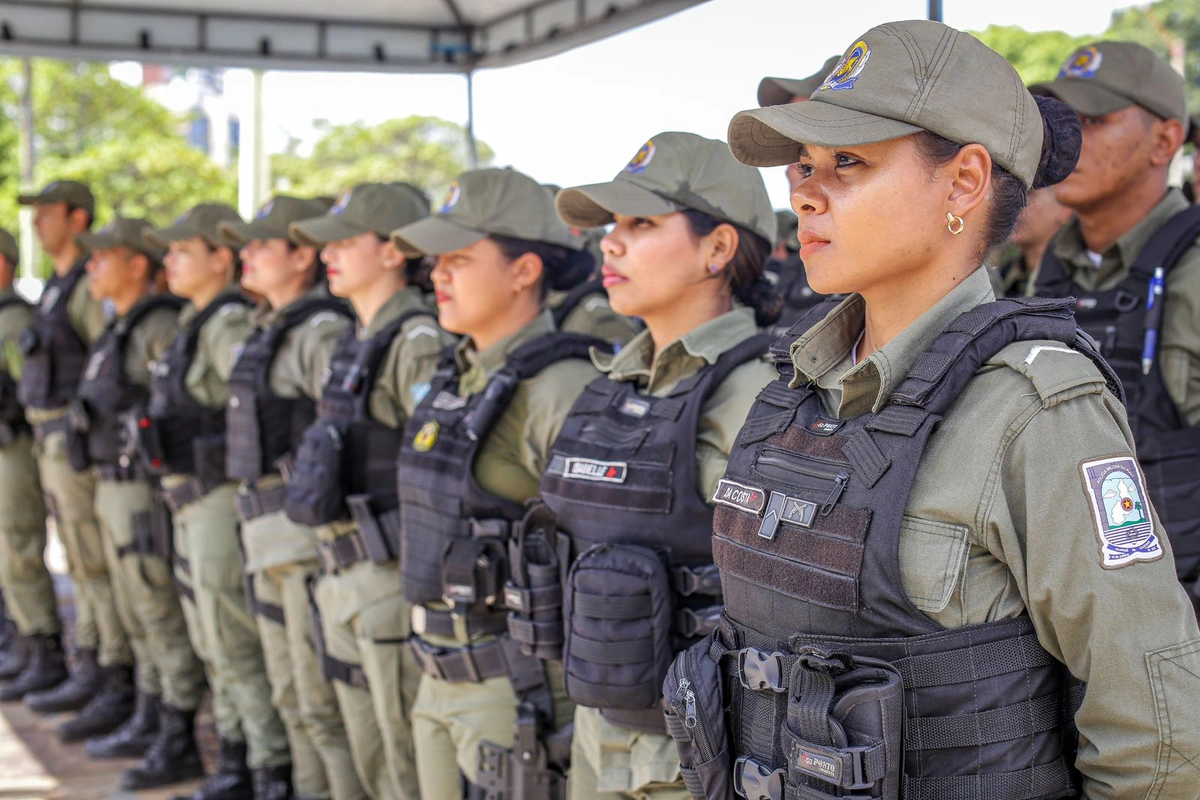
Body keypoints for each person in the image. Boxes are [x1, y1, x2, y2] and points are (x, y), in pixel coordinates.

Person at [661, 20, 1200, 799]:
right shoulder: (791, 388)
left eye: (848, 162)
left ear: (965, 181)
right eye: (805, 165)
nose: (805, 191)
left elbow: (1152, 725)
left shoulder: (1032, 408)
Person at [536, 131, 779, 799]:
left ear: (719, 248)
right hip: (597, 732)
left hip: (703, 753)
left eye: (641, 224)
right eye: (612, 226)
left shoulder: (762, 395)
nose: (609, 243)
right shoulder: (611, 384)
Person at [391, 167, 606, 800]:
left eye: (459, 259)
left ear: (524, 270)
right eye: (435, 261)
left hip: (517, 691)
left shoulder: (559, 389)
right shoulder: (457, 373)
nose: (438, 274)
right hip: (437, 675)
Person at [285, 183, 450, 800]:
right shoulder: (356, 337)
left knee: (399, 760)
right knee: (365, 753)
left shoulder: (416, 342)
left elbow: (432, 475)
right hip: (345, 574)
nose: (330, 254)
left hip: (386, 574)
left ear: (392, 252)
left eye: (347, 241)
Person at [1031, 42, 1200, 614]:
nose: (1069, 140)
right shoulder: (1049, 270)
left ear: (1165, 141)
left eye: (1095, 121)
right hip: (1079, 617)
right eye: (1062, 121)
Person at [135, 204, 292, 800]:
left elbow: (246, 414)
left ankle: (263, 765)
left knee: (231, 640)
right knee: (212, 640)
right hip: (190, 502)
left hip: (217, 500)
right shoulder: (194, 321)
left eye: (182, 250)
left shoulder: (226, 324)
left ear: (218, 259)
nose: (168, 260)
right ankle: (235, 752)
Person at [221, 195, 366, 800]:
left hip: (302, 540)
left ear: (301, 256)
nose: (245, 256)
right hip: (266, 538)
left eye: (261, 245)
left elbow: (339, 433)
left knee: (322, 703)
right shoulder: (268, 327)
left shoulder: (321, 332)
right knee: (292, 695)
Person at [68, 216, 209, 785]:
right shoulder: (118, 325)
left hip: (142, 493)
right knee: (133, 607)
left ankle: (175, 730)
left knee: (155, 606)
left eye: (104, 257)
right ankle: (150, 711)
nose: (92, 267)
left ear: (136, 265)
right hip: (110, 484)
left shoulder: (158, 325)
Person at [7, 181, 130, 714]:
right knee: (79, 562)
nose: (39, 224)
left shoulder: (85, 286)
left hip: (77, 445)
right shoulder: (60, 285)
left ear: (78, 218)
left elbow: (106, 366)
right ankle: (90, 661)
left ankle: (111, 672)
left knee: (93, 561)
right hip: (51, 442)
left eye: (49, 213)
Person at [0, 228, 60, 696]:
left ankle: (41, 644)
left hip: (14, 447)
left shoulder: (15, 318)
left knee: (18, 543)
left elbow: (30, 391)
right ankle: (23, 639)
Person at [989, 187, 1073, 297]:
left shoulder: (1078, 280)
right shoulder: (1004, 277)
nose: (1016, 204)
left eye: (1029, 194)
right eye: (1014, 194)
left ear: (1065, 208)